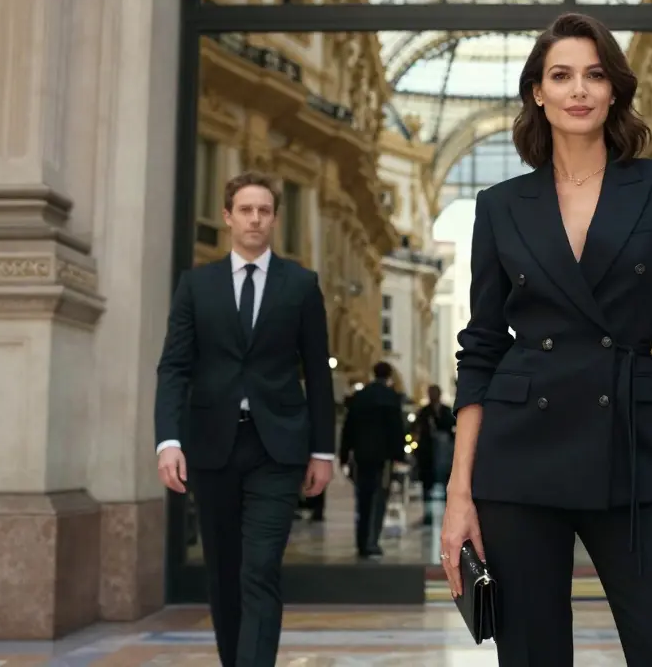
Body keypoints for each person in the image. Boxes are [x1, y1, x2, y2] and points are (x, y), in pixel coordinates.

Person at [440, 12, 652, 665]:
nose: (579, 89)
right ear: (538, 91)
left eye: (594, 74)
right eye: (561, 76)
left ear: (614, 89)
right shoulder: (501, 205)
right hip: (519, 454)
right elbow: (479, 350)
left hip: (634, 442)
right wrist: (459, 496)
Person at [154, 171, 337, 667]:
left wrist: (323, 449)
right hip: (211, 447)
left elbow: (317, 372)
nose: (255, 219)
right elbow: (174, 366)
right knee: (224, 573)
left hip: (276, 448)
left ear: (274, 219)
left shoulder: (301, 285)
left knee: (259, 569)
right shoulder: (197, 285)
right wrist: (167, 440)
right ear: (228, 216)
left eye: (264, 211)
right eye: (246, 210)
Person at [339, 362, 406, 557]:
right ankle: (372, 541)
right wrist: (398, 455)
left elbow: (348, 427)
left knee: (363, 498)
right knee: (379, 498)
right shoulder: (390, 398)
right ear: (389, 375)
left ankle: (361, 540)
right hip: (382, 456)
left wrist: (344, 454)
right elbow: (396, 429)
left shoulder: (361, 396)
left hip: (361, 454)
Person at [413, 384, 456, 524]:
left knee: (446, 484)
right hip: (428, 454)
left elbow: (452, 427)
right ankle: (427, 515)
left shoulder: (446, 411)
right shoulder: (424, 412)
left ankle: (448, 514)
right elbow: (416, 430)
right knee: (427, 484)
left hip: (444, 454)